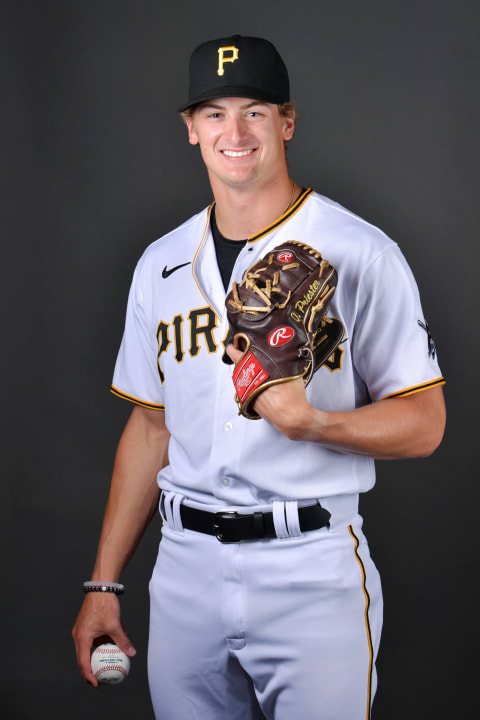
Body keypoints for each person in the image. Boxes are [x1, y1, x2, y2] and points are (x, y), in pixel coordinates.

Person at [72, 35, 446, 720]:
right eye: (214, 113)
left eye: (254, 111)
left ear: (287, 122)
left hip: (311, 569)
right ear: (190, 128)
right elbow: (151, 426)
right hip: (184, 569)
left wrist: (318, 424)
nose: (234, 131)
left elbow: (426, 425)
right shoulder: (159, 263)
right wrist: (105, 583)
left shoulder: (361, 251)